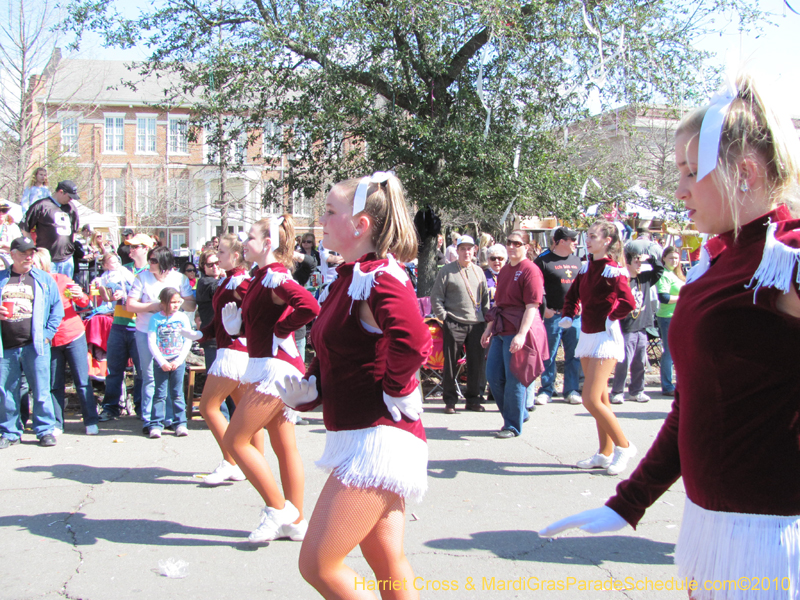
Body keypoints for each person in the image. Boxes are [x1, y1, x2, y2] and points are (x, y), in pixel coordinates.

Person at [540, 74, 800, 597]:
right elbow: (693, 404)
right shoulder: (722, 259)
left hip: (771, 539)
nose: (678, 190)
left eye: (689, 171)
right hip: (712, 526)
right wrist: (629, 501)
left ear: (744, 172)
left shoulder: (787, 255)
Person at [276, 171, 431, 600]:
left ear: (360, 224)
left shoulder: (378, 276)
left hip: (377, 442)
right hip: (360, 435)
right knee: (387, 561)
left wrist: (397, 386)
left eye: (329, 211)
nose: (320, 220)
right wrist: (312, 386)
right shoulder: (350, 276)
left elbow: (415, 340)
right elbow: (341, 348)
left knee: (318, 565)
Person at [220, 215, 319, 543]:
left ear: (267, 244)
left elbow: (310, 305)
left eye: (250, 237)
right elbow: (260, 322)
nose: (244, 242)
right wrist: (240, 329)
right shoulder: (260, 277)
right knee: (283, 445)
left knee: (236, 439)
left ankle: (278, 509)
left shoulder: (275, 276)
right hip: (267, 365)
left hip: (275, 369)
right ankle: (297, 521)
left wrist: (283, 328)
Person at [558, 221, 636, 474]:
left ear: (608, 241)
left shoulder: (615, 271)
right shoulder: (585, 269)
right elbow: (572, 297)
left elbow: (628, 302)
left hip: (605, 338)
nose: (587, 241)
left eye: (592, 236)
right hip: (587, 335)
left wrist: (610, 316)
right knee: (601, 398)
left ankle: (624, 446)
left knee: (590, 398)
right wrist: (569, 314)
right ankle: (605, 452)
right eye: (587, 236)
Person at [186, 235, 261, 484]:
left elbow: (259, 314)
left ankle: (231, 461)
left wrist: (241, 328)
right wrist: (201, 333)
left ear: (236, 256)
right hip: (229, 349)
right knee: (244, 413)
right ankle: (252, 464)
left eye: (222, 252)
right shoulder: (228, 281)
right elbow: (219, 319)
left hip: (234, 352)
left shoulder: (241, 282)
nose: (217, 257)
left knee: (207, 407)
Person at [481, 230, 548, 438]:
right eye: (509, 242)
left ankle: (512, 425)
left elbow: (532, 306)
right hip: (501, 328)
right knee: (492, 375)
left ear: (526, 247)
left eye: (517, 243)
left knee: (514, 379)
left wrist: (521, 335)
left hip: (518, 330)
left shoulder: (530, 270)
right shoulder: (507, 269)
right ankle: (516, 414)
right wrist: (488, 329)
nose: (511, 246)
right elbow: (498, 304)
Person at [0, 236, 64, 449]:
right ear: (13, 255)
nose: (29, 257)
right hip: (6, 346)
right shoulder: (1, 278)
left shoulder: (43, 279)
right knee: (6, 390)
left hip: (35, 344)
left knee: (41, 388)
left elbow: (57, 309)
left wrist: (47, 334)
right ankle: (10, 431)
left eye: (31, 253)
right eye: (24, 253)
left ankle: (45, 429)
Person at [126, 246, 195, 434]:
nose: (150, 263)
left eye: (154, 260)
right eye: (150, 259)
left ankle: (172, 418)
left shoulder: (179, 278)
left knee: (172, 376)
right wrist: (155, 306)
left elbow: (191, 304)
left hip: (173, 335)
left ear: (165, 262)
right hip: (146, 331)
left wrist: (176, 303)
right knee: (149, 376)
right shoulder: (142, 277)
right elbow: (129, 305)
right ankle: (150, 419)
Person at [30, 249, 96, 436]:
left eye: (34, 264)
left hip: (72, 334)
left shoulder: (60, 279)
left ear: (43, 264)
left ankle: (90, 420)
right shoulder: (30, 283)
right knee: (54, 384)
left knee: (82, 380)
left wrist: (79, 295)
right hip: (49, 340)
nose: (31, 268)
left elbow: (84, 303)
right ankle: (57, 423)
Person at [430, 234, 489, 413]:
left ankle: (473, 400)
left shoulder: (479, 272)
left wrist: (487, 321)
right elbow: (436, 297)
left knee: (475, 364)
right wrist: (444, 317)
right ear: (457, 251)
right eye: (463, 248)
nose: (466, 252)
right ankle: (449, 401)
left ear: (475, 250)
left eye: (469, 248)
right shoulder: (447, 271)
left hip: (477, 324)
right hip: (454, 322)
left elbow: (485, 298)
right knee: (450, 363)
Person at [98, 235, 153, 421]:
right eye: (129, 247)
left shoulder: (152, 271)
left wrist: (127, 293)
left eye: (135, 246)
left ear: (146, 248)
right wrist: (104, 291)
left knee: (141, 371)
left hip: (139, 326)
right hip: (119, 324)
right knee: (114, 370)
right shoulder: (122, 269)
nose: (130, 250)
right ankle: (111, 407)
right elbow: (105, 295)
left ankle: (140, 407)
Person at [533, 226, 584, 405]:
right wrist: (544, 308)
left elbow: (582, 287)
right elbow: (536, 287)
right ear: (561, 241)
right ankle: (547, 389)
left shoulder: (578, 261)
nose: (575, 243)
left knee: (574, 355)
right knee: (549, 354)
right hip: (552, 315)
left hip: (574, 316)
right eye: (572, 240)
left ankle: (571, 390)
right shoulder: (543, 260)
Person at [608, 250, 663, 404]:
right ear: (628, 263)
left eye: (641, 262)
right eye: (636, 261)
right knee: (623, 362)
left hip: (642, 327)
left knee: (640, 361)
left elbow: (659, 270)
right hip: (626, 327)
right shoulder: (622, 281)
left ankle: (637, 391)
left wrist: (650, 258)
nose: (640, 265)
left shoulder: (644, 279)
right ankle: (617, 391)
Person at [146, 287, 192, 438]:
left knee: (177, 393)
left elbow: (188, 340)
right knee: (160, 394)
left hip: (177, 360)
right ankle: (156, 424)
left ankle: (180, 423)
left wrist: (179, 360)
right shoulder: (155, 319)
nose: (176, 305)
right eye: (172, 302)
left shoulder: (182, 317)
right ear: (163, 302)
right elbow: (152, 342)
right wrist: (161, 361)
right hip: (161, 362)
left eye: (178, 302)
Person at [22, 181, 81, 278]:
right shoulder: (41, 205)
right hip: (47, 259)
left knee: (67, 290)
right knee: (47, 287)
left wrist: (70, 246)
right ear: (61, 192)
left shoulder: (71, 208)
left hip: (67, 259)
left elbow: (74, 230)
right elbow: (25, 227)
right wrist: (32, 248)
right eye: (69, 196)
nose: (71, 199)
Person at [655, 245, 684, 397]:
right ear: (664, 258)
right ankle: (667, 386)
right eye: (671, 257)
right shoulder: (664, 274)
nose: (674, 260)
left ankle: (680, 384)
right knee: (669, 352)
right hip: (667, 317)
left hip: (679, 316)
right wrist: (683, 298)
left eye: (676, 258)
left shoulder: (677, 274)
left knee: (679, 352)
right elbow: (664, 298)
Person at [0, 201, 23, 266]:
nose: (1, 213)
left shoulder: (13, 227)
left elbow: (19, 245)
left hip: (8, 257)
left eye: (4, 210)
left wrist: (3, 244)